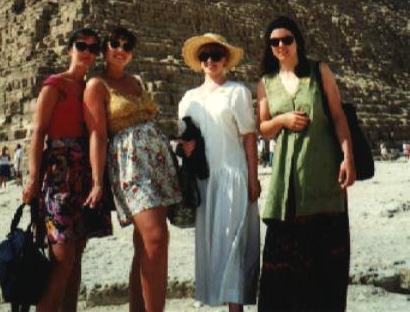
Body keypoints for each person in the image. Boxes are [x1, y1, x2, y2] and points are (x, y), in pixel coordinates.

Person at [257, 16, 355, 312]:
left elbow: (338, 116)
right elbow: (262, 127)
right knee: (283, 272)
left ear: (298, 40)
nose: (281, 46)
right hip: (287, 186)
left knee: (325, 270)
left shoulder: (319, 71)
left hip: (322, 177)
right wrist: (283, 120)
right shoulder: (266, 82)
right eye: (274, 42)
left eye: (287, 39)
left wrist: (348, 157)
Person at [83, 26, 181, 312]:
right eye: (114, 43)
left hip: (159, 163)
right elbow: (98, 134)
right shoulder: (96, 86)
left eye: (127, 45)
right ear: (104, 48)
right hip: (129, 166)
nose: (121, 49)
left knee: (144, 245)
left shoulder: (137, 80)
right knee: (156, 238)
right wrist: (97, 182)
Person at [23, 28, 111, 312]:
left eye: (93, 48)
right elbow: (38, 133)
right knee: (63, 258)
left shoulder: (90, 89)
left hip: (83, 174)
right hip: (58, 175)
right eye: (81, 45)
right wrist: (33, 178)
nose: (86, 52)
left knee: (77, 257)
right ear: (69, 49)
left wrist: (98, 180)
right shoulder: (54, 85)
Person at [179, 32, 260, 312]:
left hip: (232, 176)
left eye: (216, 55)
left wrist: (253, 179)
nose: (210, 60)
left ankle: (235, 309)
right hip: (204, 181)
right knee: (214, 245)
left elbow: (249, 137)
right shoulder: (189, 98)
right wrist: (184, 148)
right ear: (199, 62)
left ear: (226, 59)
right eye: (205, 56)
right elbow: (183, 138)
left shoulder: (237, 92)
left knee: (233, 242)